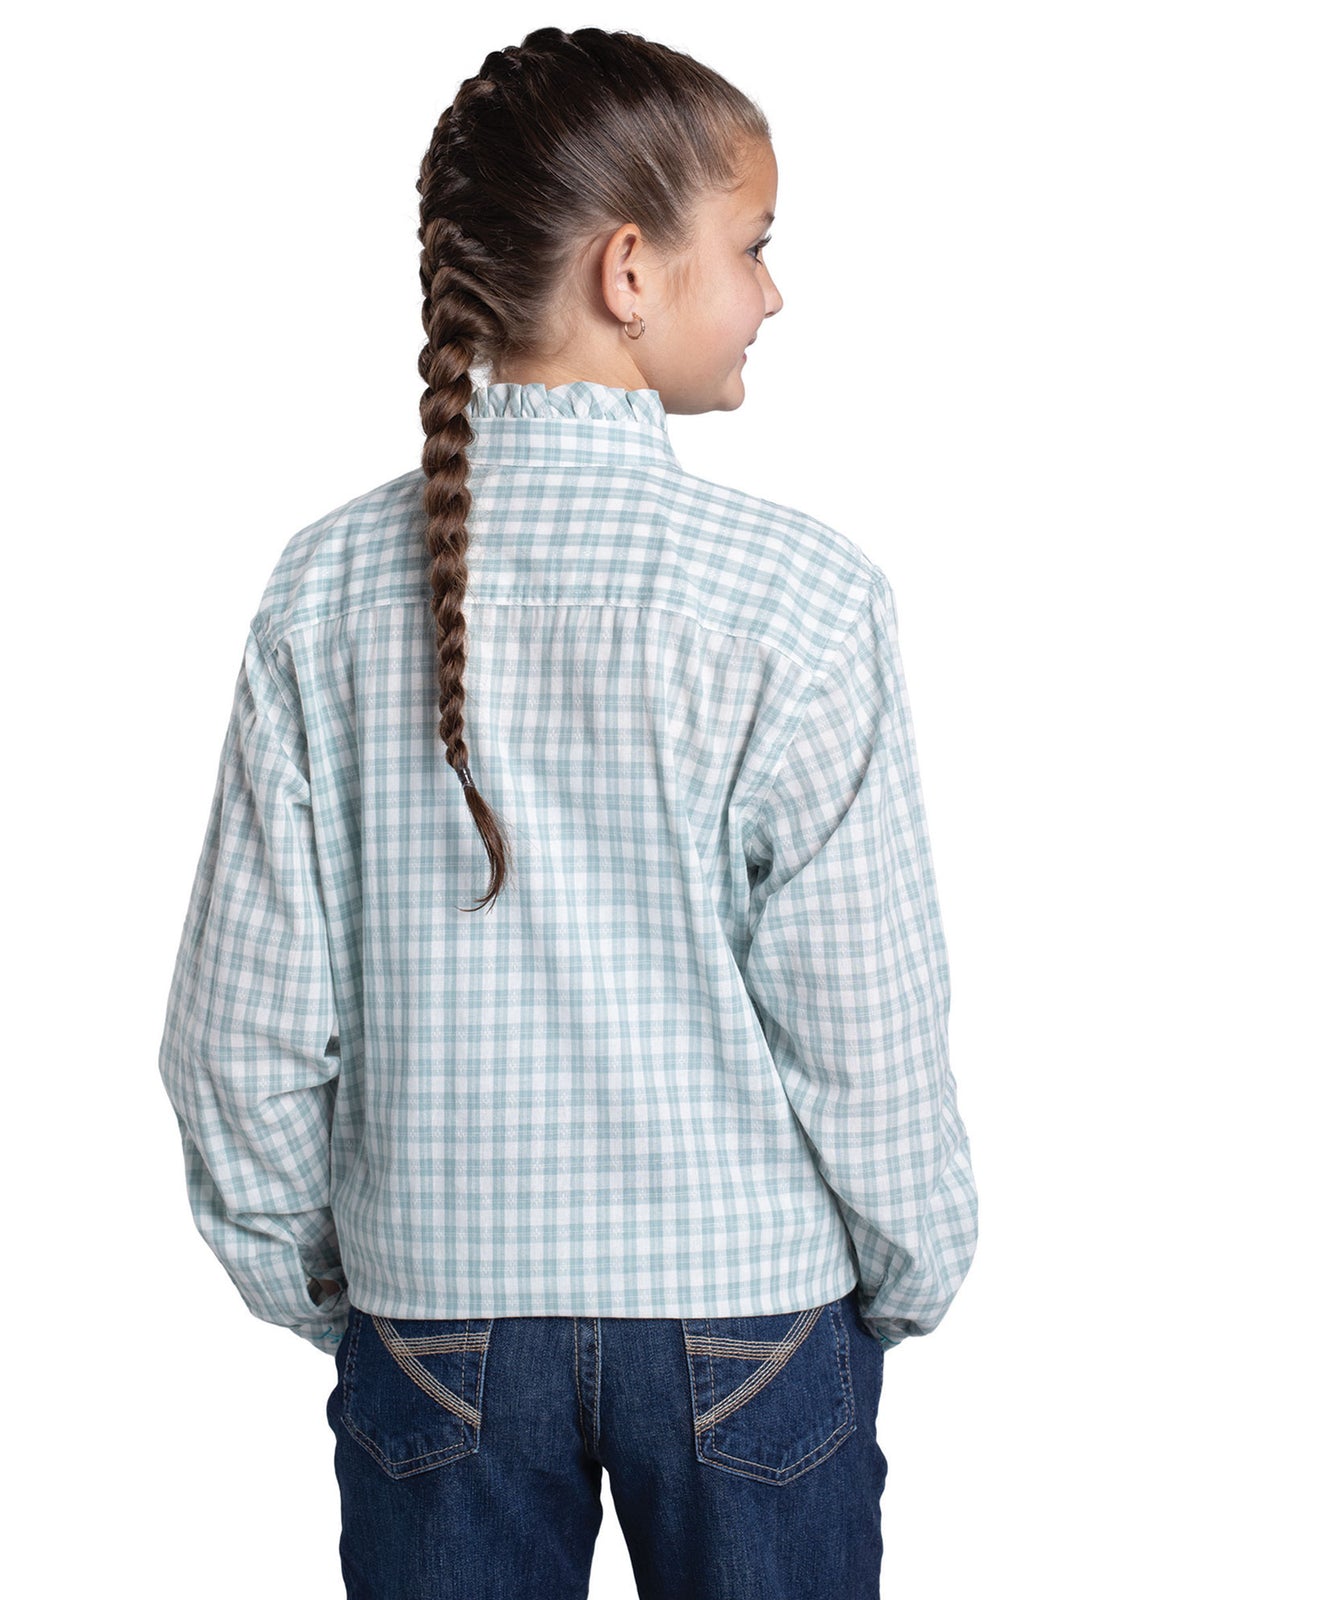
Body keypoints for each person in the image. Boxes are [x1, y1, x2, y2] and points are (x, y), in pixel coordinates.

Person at [156, 25, 978, 1600]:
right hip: (750, 1316)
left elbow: (238, 1032)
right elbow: (864, 1015)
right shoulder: (799, 598)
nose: (776, 293)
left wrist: (333, 1283)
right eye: (752, 247)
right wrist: (914, 1266)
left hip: (439, 1318)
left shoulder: (321, 592)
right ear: (627, 272)